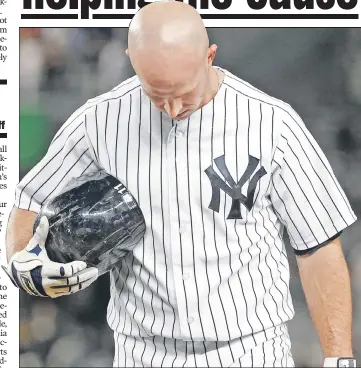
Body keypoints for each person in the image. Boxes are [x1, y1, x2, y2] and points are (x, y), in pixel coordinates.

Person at [5, 2, 357, 367]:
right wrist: (23, 263)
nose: (172, 109)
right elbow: (28, 200)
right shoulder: (99, 121)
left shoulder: (272, 125)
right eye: (156, 94)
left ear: (209, 56)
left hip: (250, 351)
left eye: (184, 93)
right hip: (143, 353)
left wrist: (339, 358)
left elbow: (317, 247)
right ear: (132, 60)